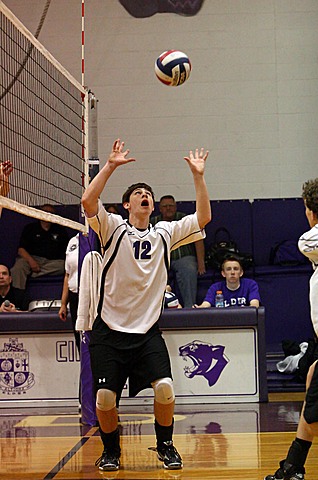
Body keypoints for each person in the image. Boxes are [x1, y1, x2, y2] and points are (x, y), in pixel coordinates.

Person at [81, 138, 211, 472]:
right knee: (105, 400)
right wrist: (109, 166)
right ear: (126, 205)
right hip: (109, 332)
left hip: (146, 333)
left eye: (148, 194)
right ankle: (111, 450)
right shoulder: (112, 228)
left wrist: (198, 176)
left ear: (152, 206)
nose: (144, 196)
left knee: (166, 389)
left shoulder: (165, 233)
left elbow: (203, 217)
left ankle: (165, 445)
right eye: (138, 193)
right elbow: (88, 200)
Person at [264, 178, 318, 480]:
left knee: (313, 410)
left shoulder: (310, 238)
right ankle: (293, 467)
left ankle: (292, 467)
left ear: (310, 210)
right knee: (311, 378)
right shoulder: (312, 242)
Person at [151, 194, 206, 308]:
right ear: (160, 209)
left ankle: (190, 308)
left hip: (183, 257)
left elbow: (199, 240)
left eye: (171, 206)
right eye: (165, 206)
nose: (168, 208)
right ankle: (155, 310)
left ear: (175, 207)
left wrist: (201, 263)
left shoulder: (184, 218)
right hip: (161, 259)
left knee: (189, 268)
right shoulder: (152, 222)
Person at [10, 204, 69, 290]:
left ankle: (33, 273)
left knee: (65, 266)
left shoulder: (60, 230)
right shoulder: (30, 228)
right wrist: (32, 262)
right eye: (45, 212)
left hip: (52, 263)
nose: (48, 215)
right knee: (18, 268)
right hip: (32, 259)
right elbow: (21, 250)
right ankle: (17, 295)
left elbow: (66, 252)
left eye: (50, 213)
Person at [194, 255, 260, 308]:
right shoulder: (215, 287)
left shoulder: (250, 285)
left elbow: (255, 304)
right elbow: (206, 304)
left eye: (236, 269)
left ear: (241, 273)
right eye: (228, 269)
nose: (232, 272)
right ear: (223, 273)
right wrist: (200, 307)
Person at [59, 233, 81, 354]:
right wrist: (63, 303)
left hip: (94, 297)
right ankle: (85, 371)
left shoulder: (100, 237)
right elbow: (68, 275)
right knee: (78, 338)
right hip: (75, 296)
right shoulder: (73, 241)